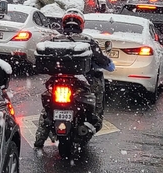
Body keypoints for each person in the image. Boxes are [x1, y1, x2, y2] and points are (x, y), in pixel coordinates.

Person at [34, 10, 115, 148]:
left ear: (64, 24)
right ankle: (93, 122)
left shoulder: (54, 40)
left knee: (47, 106)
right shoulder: (88, 41)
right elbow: (106, 64)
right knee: (96, 104)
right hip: (81, 84)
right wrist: (108, 64)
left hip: (57, 81)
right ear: (81, 24)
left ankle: (40, 139)